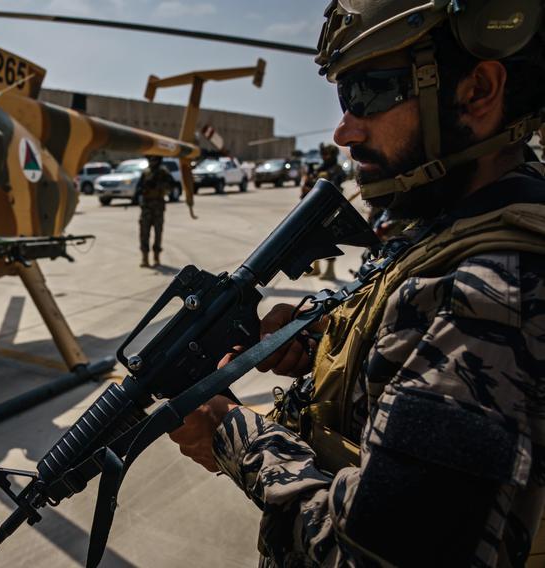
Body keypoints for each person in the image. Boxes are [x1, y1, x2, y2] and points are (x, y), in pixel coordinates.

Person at [169, 2, 545, 566]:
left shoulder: (491, 295)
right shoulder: (461, 219)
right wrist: (334, 352)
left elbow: (369, 554)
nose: (344, 129)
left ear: (478, 90)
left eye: (368, 93)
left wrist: (230, 435)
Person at [301, 143, 348, 280]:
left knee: (327, 238)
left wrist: (311, 190)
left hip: (328, 208)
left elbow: (333, 187)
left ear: (332, 155)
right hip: (314, 208)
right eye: (323, 154)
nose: (324, 157)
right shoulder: (321, 168)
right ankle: (316, 268)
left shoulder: (337, 169)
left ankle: (330, 271)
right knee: (312, 237)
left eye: (326, 154)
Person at [138, 155, 172, 267]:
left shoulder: (163, 172)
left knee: (158, 233)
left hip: (158, 206)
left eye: (155, 159)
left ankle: (156, 258)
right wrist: (144, 188)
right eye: (151, 159)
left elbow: (170, 186)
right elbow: (139, 187)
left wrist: (158, 185)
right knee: (144, 233)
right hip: (146, 207)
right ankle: (145, 259)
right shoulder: (145, 172)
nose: (152, 161)